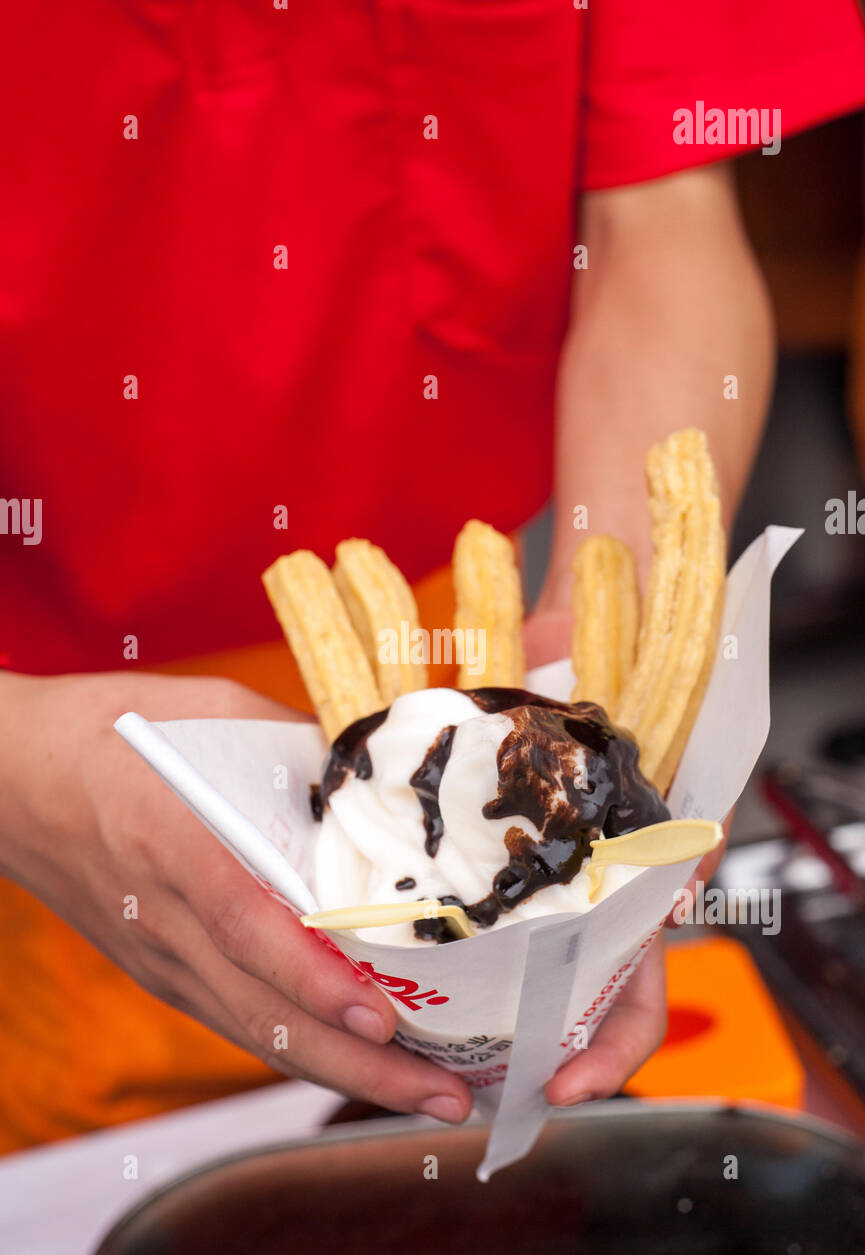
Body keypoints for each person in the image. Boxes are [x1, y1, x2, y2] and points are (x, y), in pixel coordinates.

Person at [1, 2, 864, 1154]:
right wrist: (19, 769)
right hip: (37, 702)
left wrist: (614, 722)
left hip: (465, 638)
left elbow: (658, 213)